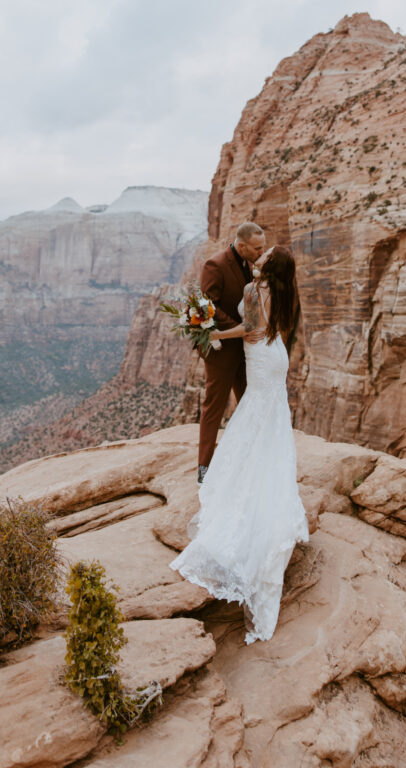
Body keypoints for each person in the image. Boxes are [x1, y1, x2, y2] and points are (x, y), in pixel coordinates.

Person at [170, 245, 309, 645]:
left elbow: (248, 329)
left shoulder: (252, 288)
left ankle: (242, 487)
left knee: (251, 417)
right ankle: (268, 480)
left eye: (264, 253)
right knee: (269, 421)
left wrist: (214, 333)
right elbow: (269, 330)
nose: (260, 254)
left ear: (267, 264)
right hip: (275, 357)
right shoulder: (285, 289)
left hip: (259, 356)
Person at [196, 222, 266, 484]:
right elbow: (207, 305)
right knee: (213, 407)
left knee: (248, 401)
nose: (261, 252)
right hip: (221, 350)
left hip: (245, 349)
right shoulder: (215, 264)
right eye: (257, 248)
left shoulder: (251, 264)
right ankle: (204, 468)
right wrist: (237, 328)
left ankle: (249, 459)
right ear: (242, 245)